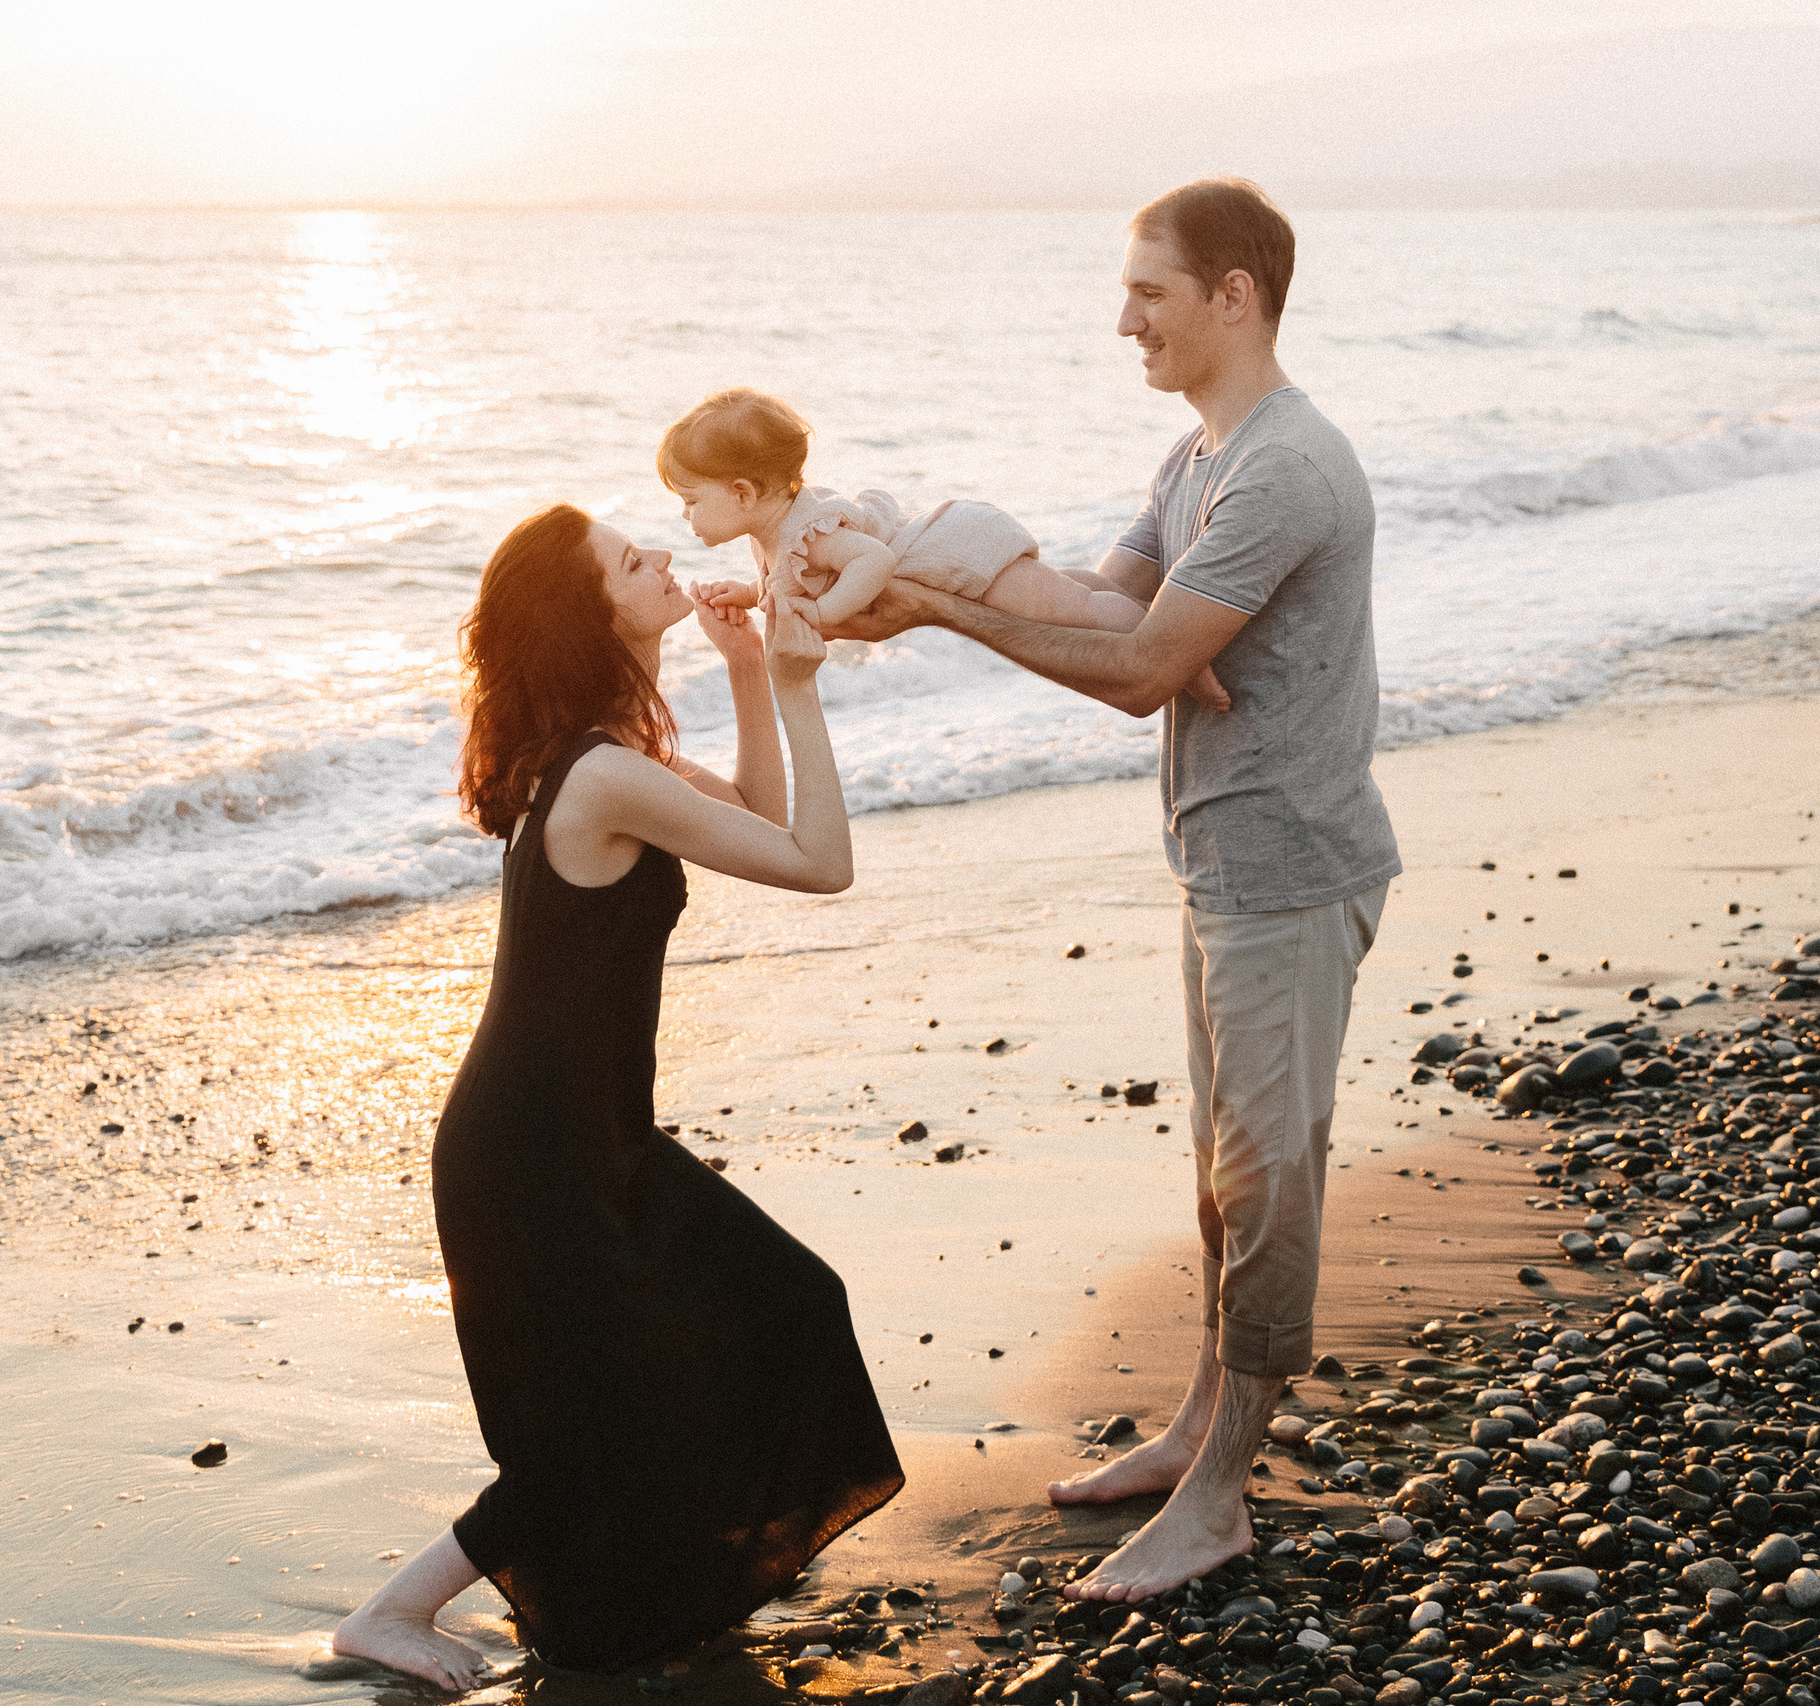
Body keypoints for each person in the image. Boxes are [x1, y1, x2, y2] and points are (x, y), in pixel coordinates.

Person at [824, 177, 1399, 1603]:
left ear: (1234, 296)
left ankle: (1221, 1497)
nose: (1123, 317)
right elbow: (1103, 607)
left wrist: (946, 607)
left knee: (1266, 1185)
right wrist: (924, 571)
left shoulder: (1285, 470)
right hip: (1221, 863)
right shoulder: (1195, 456)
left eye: (1149, 290)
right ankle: (1201, 1421)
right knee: (1220, 1184)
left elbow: (1142, 675)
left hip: (1291, 871)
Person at [330, 504, 902, 1688]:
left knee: (781, 1305)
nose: (657, 554)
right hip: (531, 1154)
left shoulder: (607, 754)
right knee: (583, 1426)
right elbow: (819, 862)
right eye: (625, 560)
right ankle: (387, 1613)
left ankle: (690, 1574)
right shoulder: (599, 774)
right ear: (589, 614)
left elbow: (753, 811)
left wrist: (748, 670)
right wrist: (802, 679)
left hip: (588, 1141)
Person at [659, 387, 1227, 708]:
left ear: (741, 493)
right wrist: (751, 593)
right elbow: (786, 580)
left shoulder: (812, 535)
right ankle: (1175, 635)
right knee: (1074, 592)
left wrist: (830, 611)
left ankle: (1179, 655)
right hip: (954, 542)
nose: (685, 515)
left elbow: (874, 561)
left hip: (958, 554)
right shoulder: (777, 536)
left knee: (1076, 610)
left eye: (690, 500)